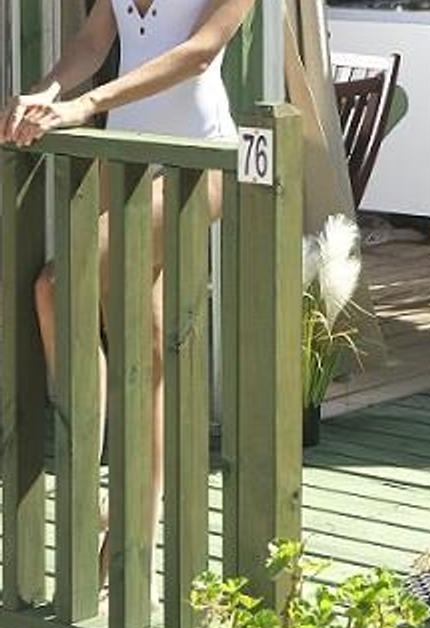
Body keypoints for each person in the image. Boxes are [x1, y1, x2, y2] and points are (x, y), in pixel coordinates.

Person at [0, 0, 255, 597]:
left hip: (199, 162)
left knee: (60, 286)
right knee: (143, 341)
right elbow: (94, 40)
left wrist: (85, 104)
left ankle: (94, 487)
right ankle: (132, 522)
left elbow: (199, 53)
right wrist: (45, 92)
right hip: (128, 156)